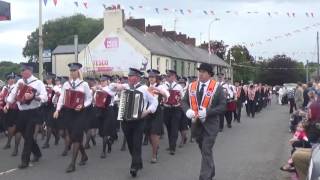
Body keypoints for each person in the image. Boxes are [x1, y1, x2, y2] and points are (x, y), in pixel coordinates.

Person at [182, 63, 226, 180]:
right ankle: (211, 170)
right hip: (196, 124)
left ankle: (204, 177)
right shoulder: (192, 86)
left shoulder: (217, 87)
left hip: (211, 125)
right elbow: (184, 101)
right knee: (204, 149)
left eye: (203, 72)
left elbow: (223, 106)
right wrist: (187, 111)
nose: (200, 74)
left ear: (209, 74)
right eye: (199, 71)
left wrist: (208, 112)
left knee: (206, 148)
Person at [113, 68, 158, 177]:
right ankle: (138, 161)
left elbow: (154, 102)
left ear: (137, 77)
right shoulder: (125, 87)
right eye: (128, 76)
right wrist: (116, 86)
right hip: (125, 120)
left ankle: (134, 167)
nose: (128, 78)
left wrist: (147, 111)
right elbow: (112, 89)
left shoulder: (144, 88)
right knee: (130, 144)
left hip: (139, 120)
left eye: (131, 76)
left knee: (137, 143)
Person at [5, 63, 48, 169]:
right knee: (24, 135)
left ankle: (25, 160)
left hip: (33, 112)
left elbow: (45, 97)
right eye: (21, 70)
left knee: (28, 136)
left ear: (30, 71)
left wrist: (34, 96)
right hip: (22, 113)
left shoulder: (38, 83)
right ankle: (37, 153)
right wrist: (8, 102)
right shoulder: (19, 82)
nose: (21, 72)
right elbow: (12, 95)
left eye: (23, 70)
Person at [53, 63, 93, 173]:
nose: (72, 72)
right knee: (73, 136)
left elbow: (89, 99)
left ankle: (72, 164)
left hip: (80, 113)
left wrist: (83, 105)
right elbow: (62, 97)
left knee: (76, 135)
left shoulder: (84, 84)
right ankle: (84, 155)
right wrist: (57, 109)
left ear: (78, 72)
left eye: (74, 71)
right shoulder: (66, 84)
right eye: (71, 71)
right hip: (69, 112)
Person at [144, 69, 169, 163]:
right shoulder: (145, 86)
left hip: (157, 112)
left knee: (154, 133)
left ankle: (154, 154)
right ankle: (155, 146)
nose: (151, 79)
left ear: (157, 78)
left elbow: (166, 95)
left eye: (153, 77)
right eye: (150, 77)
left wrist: (157, 90)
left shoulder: (161, 86)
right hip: (147, 111)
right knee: (149, 134)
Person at [163, 70, 184, 155]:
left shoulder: (178, 87)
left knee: (174, 128)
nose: (168, 77)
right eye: (167, 76)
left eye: (170, 76)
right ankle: (170, 144)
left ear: (174, 77)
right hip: (167, 109)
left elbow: (182, 97)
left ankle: (173, 147)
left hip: (176, 109)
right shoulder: (164, 86)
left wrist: (178, 100)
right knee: (168, 127)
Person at [2, 72, 22, 157]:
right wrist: (4, 107)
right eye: (10, 79)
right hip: (8, 110)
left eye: (13, 78)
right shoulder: (5, 88)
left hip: (16, 110)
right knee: (9, 128)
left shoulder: (16, 88)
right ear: (7, 80)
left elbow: (15, 99)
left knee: (16, 129)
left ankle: (16, 148)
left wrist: (7, 106)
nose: (12, 80)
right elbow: (2, 98)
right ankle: (9, 143)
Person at [42, 73, 59, 149]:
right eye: (47, 79)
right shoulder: (43, 87)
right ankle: (56, 137)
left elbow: (60, 94)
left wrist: (56, 92)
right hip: (45, 107)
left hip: (52, 107)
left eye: (49, 79)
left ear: (52, 80)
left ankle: (47, 143)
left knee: (49, 125)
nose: (48, 80)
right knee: (51, 126)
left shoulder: (55, 87)